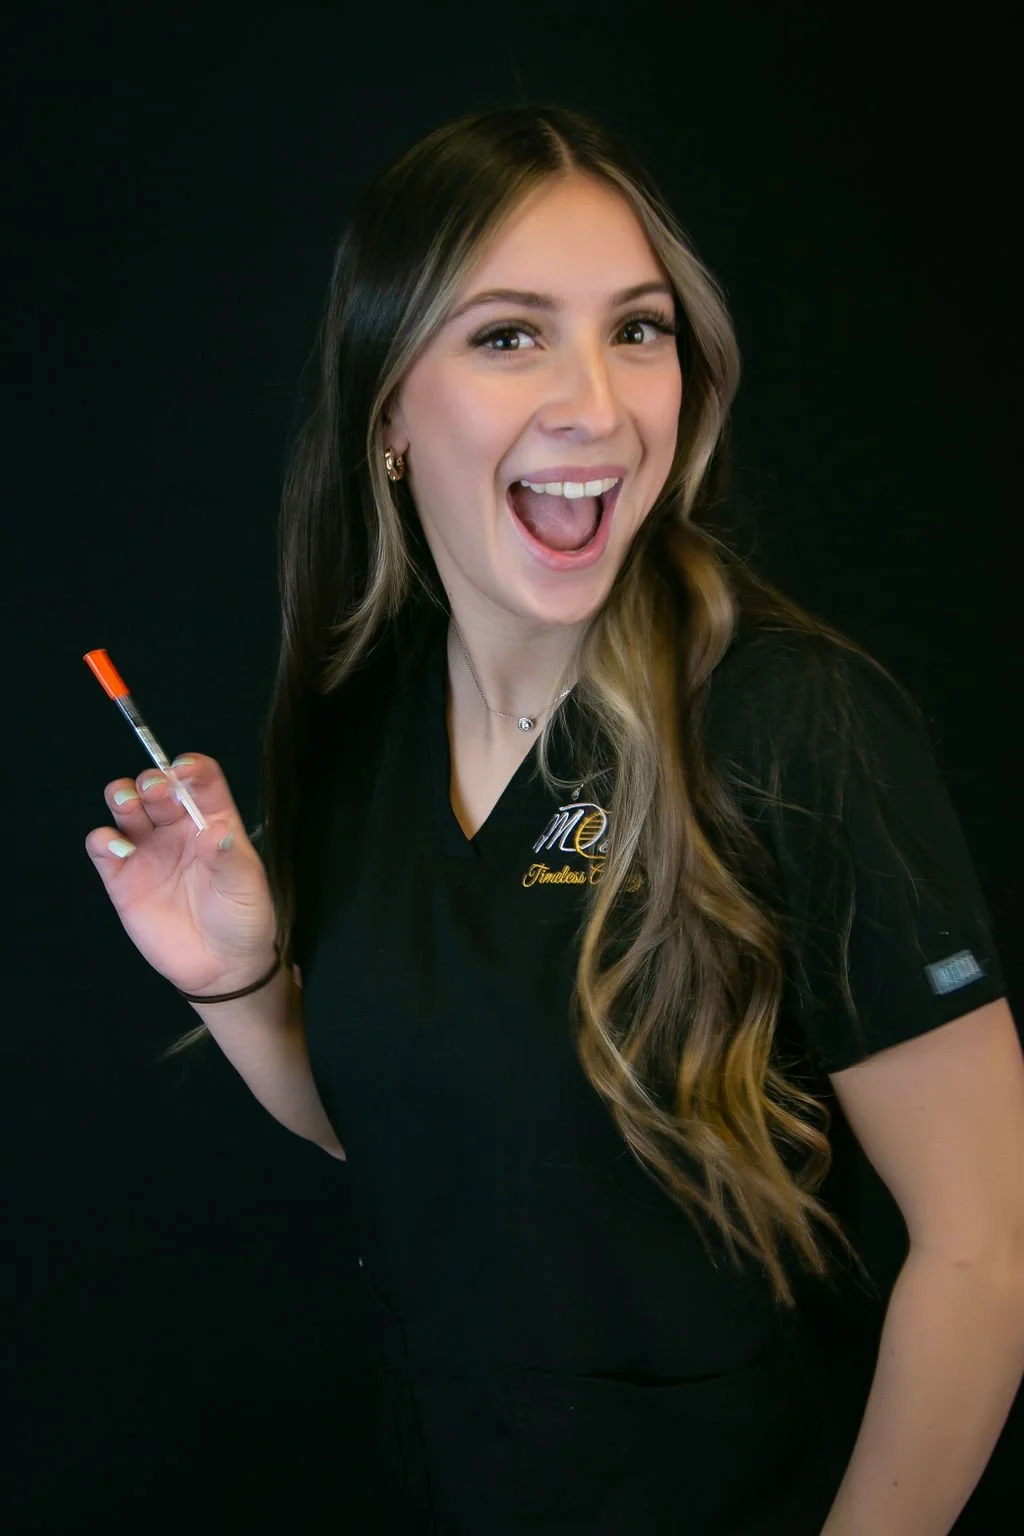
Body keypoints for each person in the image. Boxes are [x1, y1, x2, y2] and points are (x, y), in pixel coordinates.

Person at [85, 106, 1022, 1535]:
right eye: (511, 334)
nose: (597, 402)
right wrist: (235, 983)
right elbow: (411, 1134)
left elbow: (986, 1251)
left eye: (637, 331)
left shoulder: (790, 724)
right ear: (389, 408)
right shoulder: (363, 731)